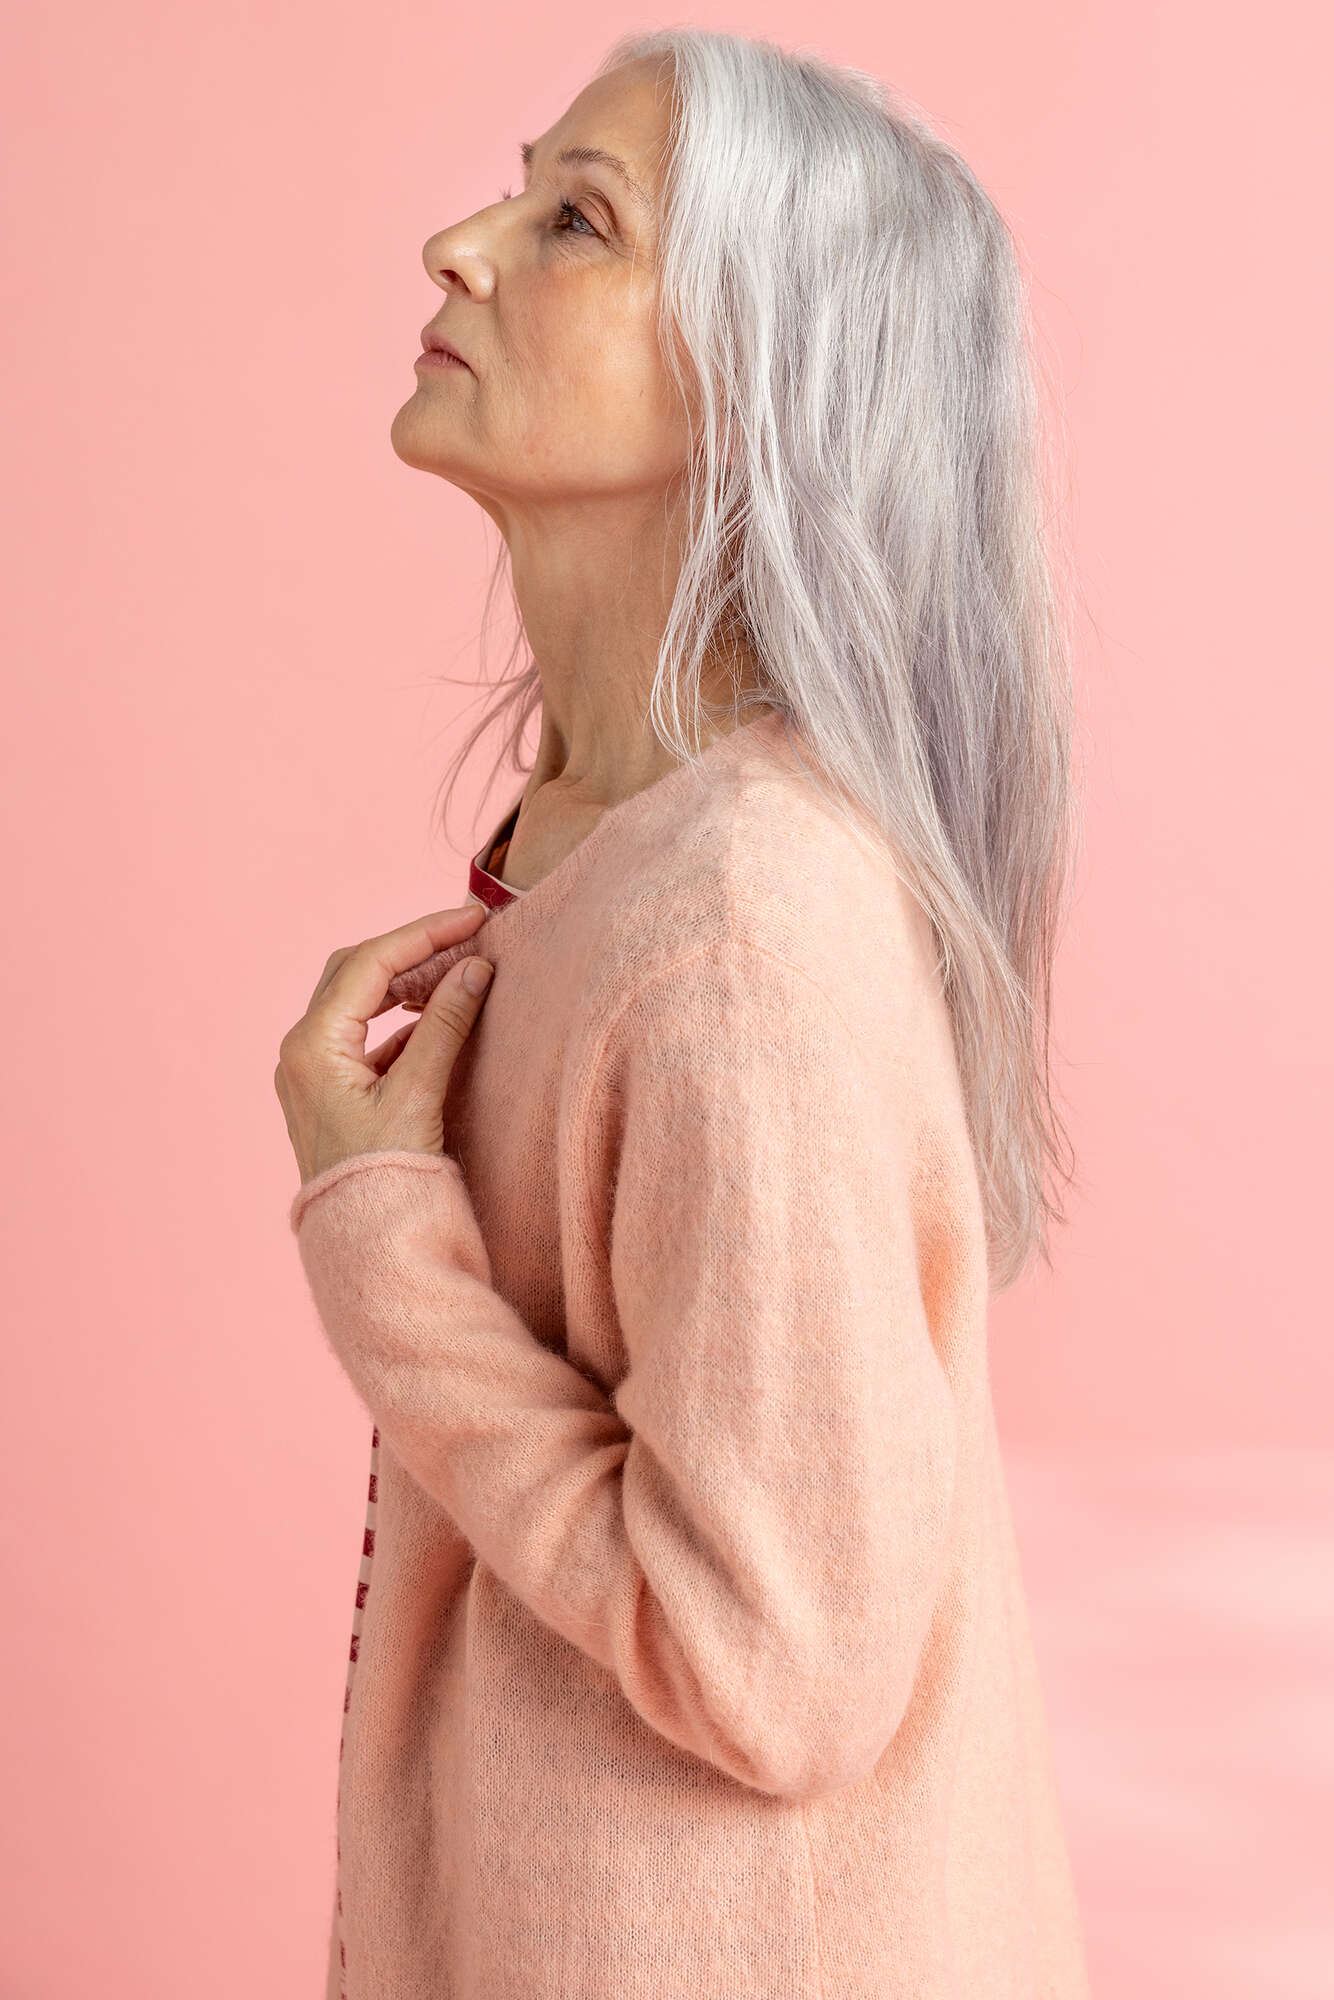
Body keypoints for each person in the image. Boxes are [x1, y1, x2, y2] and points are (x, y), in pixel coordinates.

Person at [275, 25, 1092, 2000]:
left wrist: (384, 1246)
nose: (458, 248)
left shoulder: (739, 927)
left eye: (579, 221)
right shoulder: (612, 859)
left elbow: (774, 1667)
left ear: (757, 367)